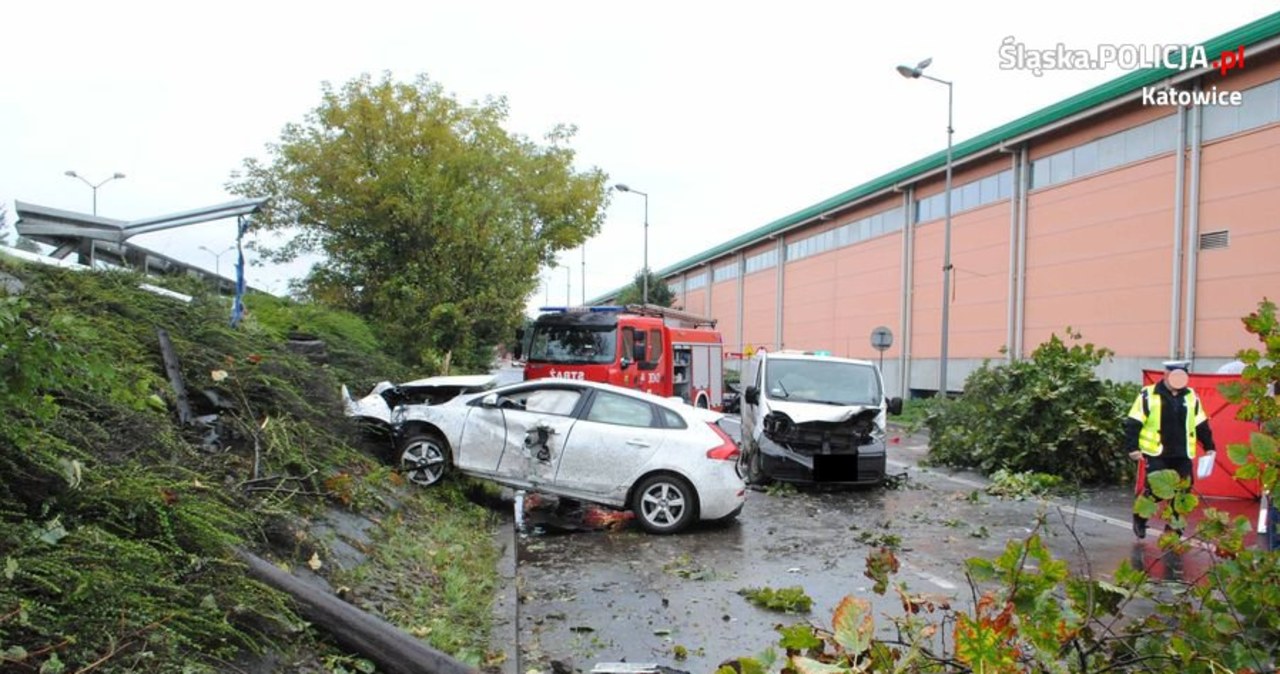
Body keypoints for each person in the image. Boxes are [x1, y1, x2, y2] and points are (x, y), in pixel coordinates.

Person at [1123, 360, 1216, 539]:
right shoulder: (1148, 395)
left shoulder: (1191, 397)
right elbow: (1133, 422)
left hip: (1182, 453)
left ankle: (1174, 527)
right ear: (1165, 375)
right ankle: (1140, 517)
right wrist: (1132, 448)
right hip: (1157, 452)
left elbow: (1201, 424)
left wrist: (1210, 447)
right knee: (1156, 490)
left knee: (1183, 491)